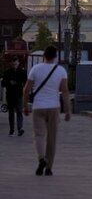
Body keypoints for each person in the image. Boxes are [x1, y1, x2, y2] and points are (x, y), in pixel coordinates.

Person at [22, 46, 71, 176]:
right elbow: (65, 91)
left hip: (38, 107)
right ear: (55, 57)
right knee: (52, 138)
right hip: (54, 107)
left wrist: (25, 105)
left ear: (44, 55)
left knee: (39, 135)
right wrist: (67, 109)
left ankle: (41, 158)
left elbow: (26, 89)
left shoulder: (35, 69)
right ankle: (49, 168)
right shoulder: (61, 70)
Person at [2, 57, 28, 136]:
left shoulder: (22, 72)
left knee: (19, 111)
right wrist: (9, 82)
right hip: (10, 95)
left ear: (18, 63)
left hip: (19, 94)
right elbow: (3, 83)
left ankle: (20, 128)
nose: (14, 65)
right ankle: (12, 129)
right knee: (11, 112)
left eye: (16, 63)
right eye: (13, 64)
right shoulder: (7, 72)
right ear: (11, 64)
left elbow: (25, 82)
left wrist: (17, 83)